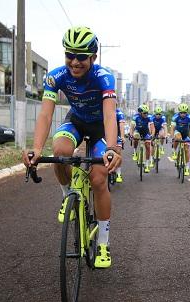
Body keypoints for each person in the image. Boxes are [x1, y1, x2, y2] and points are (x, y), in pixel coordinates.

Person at [22, 26, 121, 269]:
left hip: (100, 127)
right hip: (75, 121)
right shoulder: (56, 77)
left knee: (98, 178)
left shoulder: (103, 77)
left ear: (93, 58)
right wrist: (35, 148)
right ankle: (68, 196)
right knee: (60, 153)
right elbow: (45, 115)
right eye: (70, 55)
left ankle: (103, 244)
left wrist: (111, 148)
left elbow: (109, 116)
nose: (74, 62)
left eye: (81, 57)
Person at [170, 103, 190, 176]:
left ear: (186, 112)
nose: (183, 114)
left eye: (184, 113)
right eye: (181, 112)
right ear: (179, 112)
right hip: (177, 132)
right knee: (178, 137)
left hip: (185, 135)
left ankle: (187, 167)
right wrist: (172, 137)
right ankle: (174, 151)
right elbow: (172, 128)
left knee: (186, 149)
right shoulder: (175, 117)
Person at [130, 104, 155, 173]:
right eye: (144, 113)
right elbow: (132, 127)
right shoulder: (135, 117)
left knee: (148, 145)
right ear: (140, 112)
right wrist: (131, 135)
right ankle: (135, 152)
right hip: (137, 131)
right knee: (136, 137)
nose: (146, 114)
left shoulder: (149, 117)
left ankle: (146, 165)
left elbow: (153, 128)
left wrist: (152, 135)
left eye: (147, 113)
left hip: (145, 132)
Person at [114, 108, 126, 183]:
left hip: (116, 134)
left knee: (118, 151)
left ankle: (118, 174)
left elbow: (121, 125)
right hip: (102, 134)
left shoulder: (119, 113)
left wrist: (122, 136)